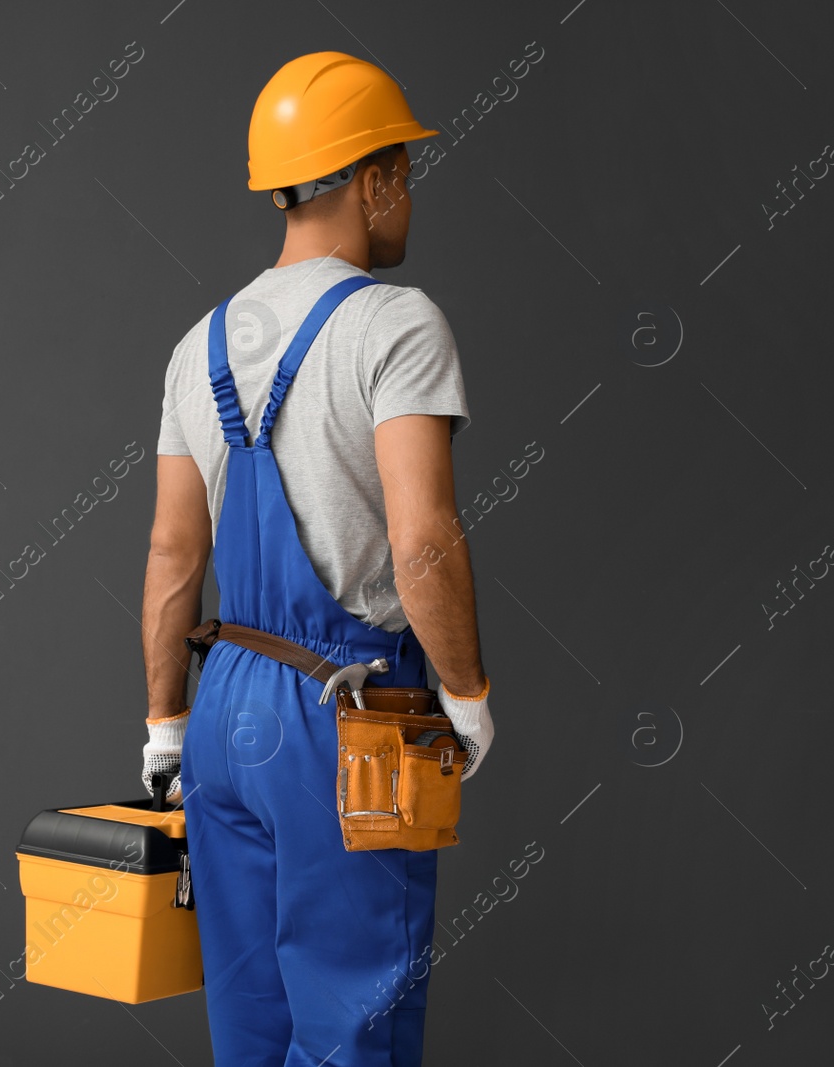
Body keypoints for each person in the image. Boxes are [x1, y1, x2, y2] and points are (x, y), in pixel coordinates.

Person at [137, 52, 495, 1066]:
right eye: (404, 175)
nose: (408, 199)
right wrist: (464, 695)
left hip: (225, 708)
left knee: (250, 1028)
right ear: (370, 179)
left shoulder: (197, 344)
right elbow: (422, 538)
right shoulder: (395, 324)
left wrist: (167, 723)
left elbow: (172, 552)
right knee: (355, 1027)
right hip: (352, 717)